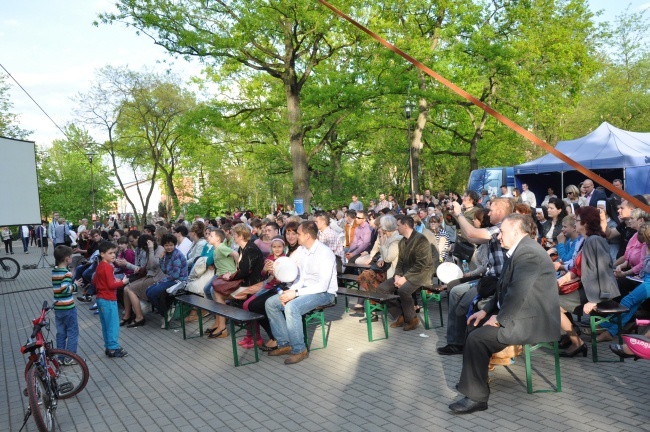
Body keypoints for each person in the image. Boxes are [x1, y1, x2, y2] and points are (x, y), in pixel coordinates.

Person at [448, 214, 560, 414]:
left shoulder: (528, 253)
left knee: (478, 339)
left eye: (502, 232)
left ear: (516, 232)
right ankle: (474, 382)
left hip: (533, 321)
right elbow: (503, 289)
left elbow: (518, 293)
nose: (499, 236)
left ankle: (477, 397)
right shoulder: (518, 250)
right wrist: (485, 311)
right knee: (472, 324)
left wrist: (499, 319)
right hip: (520, 313)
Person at [437, 198, 513, 356]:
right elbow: (471, 237)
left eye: (491, 210)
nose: (489, 213)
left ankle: (459, 340)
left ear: (500, 212)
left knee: (457, 293)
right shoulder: (498, 228)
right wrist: (459, 217)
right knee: (455, 290)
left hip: (498, 282)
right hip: (489, 279)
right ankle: (457, 338)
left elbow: (472, 233)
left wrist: (460, 214)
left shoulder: (503, 227)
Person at [265, 221, 337, 364]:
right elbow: (301, 278)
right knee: (271, 303)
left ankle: (299, 350)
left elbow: (322, 286)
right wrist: (291, 291)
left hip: (325, 294)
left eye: (298, 233)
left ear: (308, 236)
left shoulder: (325, 253)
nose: (295, 236)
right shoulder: (303, 251)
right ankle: (285, 343)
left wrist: (296, 293)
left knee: (292, 307)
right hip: (305, 291)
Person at [555, 206, 620, 357]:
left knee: (553, 305)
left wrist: (596, 300)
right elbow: (579, 269)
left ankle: (577, 342)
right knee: (551, 297)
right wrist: (564, 278)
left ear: (585, 223)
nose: (575, 224)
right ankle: (571, 335)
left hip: (598, 292)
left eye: (577, 221)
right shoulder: (587, 240)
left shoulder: (594, 241)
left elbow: (603, 271)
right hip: (589, 289)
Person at [376, 216, 434, 331]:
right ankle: (400, 315)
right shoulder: (402, 241)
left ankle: (412, 319)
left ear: (405, 226)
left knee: (403, 290)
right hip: (406, 273)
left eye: (398, 225)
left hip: (422, 274)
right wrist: (397, 275)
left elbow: (421, 264)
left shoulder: (421, 240)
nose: (396, 228)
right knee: (382, 289)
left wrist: (405, 278)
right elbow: (400, 262)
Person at [597, 223, 650, 342]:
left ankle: (606, 325)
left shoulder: (647, 246)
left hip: (648, 282)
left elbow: (644, 265)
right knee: (632, 306)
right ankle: (611, 331)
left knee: (627, 300)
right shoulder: (645, 245)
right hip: (645, 278)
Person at [94, 241, 129, 358]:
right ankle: (114, 348)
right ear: (103, 254)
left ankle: (109, 347)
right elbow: (111, 285)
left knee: (106, 325)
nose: (113, 255)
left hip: (100, 299)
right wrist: (122, 282)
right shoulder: (108, 267)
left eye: (114, 253)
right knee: (113, 326)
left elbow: (95, 281)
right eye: (110, 253)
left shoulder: (100, 266)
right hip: (108, 299)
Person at [146, 234, 188, 324]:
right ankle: (166, 312)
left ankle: (165, 314)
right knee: (148, 291)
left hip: (179, 281)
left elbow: (176, 275)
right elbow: (165, 271)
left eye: (171, 245)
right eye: (166, 245)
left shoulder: (176, 255)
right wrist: (161, 259)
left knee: (152, 293)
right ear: (163, 246)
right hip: (171, 279)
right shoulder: (168, 254)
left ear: (174, 245)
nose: (169, 247)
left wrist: (162, 281)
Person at [52, 245, 83, 357]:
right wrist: (75, 285)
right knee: (73, 332)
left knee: (61, 333)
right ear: (67, 258)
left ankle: (60, 356)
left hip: (58, 308)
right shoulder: (67, 273)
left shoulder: (54, 271)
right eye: (71, 256)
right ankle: (70, 356)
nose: (71, 258)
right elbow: (65, 289)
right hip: (68, 308)